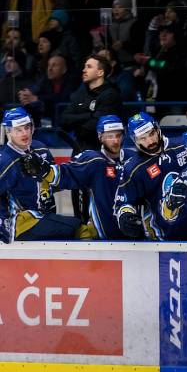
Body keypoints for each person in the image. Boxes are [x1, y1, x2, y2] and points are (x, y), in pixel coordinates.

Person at [23, 115, 128, 239]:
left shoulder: (133, 159)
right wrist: (46, 171)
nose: (115, 141)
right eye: (110, 136)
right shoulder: (94, 160)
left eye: (118, 136)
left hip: (137, 232)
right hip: (105, 235)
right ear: (100, 136)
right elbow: (66, 174)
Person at [114, 113, 187, 241]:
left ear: (158, 129)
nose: (150, 141)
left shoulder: (184, 147)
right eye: (143, 138)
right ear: (135, 140)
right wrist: (125, 216)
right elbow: (123, 201)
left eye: (152, 134)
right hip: (161, 236)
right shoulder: (133, 168)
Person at [0, 107, 79, 243]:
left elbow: (56, 184)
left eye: (27, 127)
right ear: (8, 132)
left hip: (45, 216)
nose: (25, 133)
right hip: (21, 222)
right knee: (78, 229)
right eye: (18, 130)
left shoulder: (41, 149)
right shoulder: (5, 161)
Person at [60, 54, 124, 151]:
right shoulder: (81, 93)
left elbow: (93, 128)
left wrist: (76, 125)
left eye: (89, 67)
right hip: (79, 151)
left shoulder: (110, 94)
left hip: (101, 152)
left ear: (100, 72)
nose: (84, 70)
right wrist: (90, 115)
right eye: (85, 66)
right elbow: (63, 119)